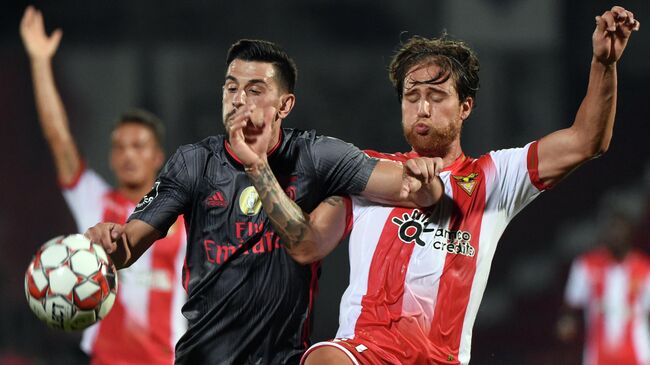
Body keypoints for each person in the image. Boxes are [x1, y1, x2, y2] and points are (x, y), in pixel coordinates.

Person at [224, 5, 641, 365]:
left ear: (465, 107)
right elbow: (307, 244)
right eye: (412, 95)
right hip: (362, 351)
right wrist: (259, 167)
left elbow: (588, 141)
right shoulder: (365, 171)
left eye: (437, 96)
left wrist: (603, 64)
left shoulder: (495, 177)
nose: (422, 107)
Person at [85, 38, 444, 364]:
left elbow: (416, 191)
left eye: (255, 90)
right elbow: (128, 247)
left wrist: (425, 179)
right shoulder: (193, 163)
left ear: (284, 105)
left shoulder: (316, 157)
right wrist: (110, 244)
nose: (239, 99)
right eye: (231, 88)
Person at [20, 6, 187, 365]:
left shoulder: (182, 215)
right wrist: (39, 62)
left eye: (138, 146)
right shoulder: (94, 200)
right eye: (119, 147)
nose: (128, 155)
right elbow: (60, 139)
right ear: (111, 157)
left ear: (158, 156)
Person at [557, 212, 650, 365]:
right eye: (611, 230)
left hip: (637, 354)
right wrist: (567, 320)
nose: (615, 235)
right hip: (598, 355)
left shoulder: (645, 268)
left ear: (631, 232)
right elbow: (571, 305)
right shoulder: (585, 265)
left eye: (620, 229)